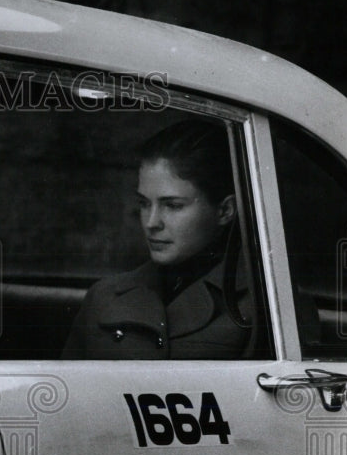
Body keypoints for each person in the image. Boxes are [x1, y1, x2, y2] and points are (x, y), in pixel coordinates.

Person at [62, 120, 253, 360]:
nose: (151, 222)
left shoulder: (266, 308)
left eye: (172, 206)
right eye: (144, 204)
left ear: (225, 210)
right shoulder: (103, 297)